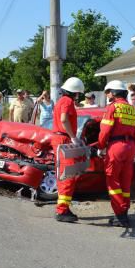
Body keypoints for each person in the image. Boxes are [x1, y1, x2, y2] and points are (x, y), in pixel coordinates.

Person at [98, 80, 135, 227]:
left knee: (113, 181)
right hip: (131, 148)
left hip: (116, 147)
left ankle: (120, 214)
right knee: (125, 182)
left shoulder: (112, 108)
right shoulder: (134, 109)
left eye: (108, 92)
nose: (107, 94)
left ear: (114, 92)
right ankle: (123, 213)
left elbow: (105, 131)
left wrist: (100, 146)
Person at [52, 77, 85, 223]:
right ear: (75, 92)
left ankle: (63, 206)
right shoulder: (67, 101)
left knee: (63, 175)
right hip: (63, 139)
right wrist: (73, 137)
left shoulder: (61, 100)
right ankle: (62, 210)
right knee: (68, 176)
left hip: (60, 138)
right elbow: (64, 119)